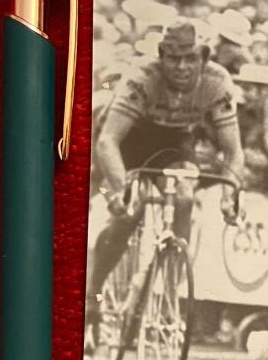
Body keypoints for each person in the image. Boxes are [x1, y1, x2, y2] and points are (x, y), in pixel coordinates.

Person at [85, 20, 244, 332]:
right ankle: (94, 291)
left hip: (173, 140)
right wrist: (120, 188)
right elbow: (108, 141)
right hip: (127, 138)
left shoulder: (218, 82)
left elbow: (234, 152)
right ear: (161, 56)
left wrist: (230, 196)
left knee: (184, 196)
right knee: (129, 212)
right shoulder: (142, 76)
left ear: (204, 57)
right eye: (173, 58)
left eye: (190, 59)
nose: (181, 67)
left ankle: (169, 296)